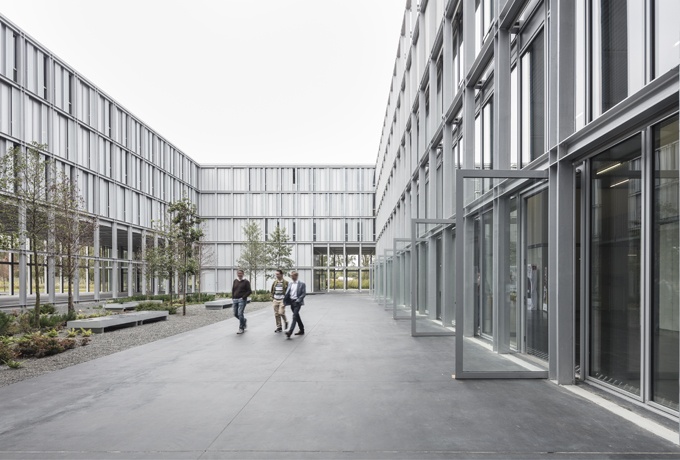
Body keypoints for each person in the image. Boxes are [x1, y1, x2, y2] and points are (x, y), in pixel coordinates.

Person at [284, 271, 306, 338]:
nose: (291, 277)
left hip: (297, 303)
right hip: (291, 302)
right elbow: (288, 292)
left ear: (296, 276)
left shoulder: (302, 284)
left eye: (293, 276)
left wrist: (298, 300)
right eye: (291, 276)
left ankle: (290, 332)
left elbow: (303, 293)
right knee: (297, 316)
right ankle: (302, 329)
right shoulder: (290, 283)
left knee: (294, 316)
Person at [232, 269, 252, 334]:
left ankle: (241, 328)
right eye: (238, 273)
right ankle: (243, 320)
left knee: (240, 313)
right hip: (235, 299)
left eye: (241, 273)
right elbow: (233, 289)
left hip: (242, 300)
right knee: (235, 314)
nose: (239, 274)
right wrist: (232, 297)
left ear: (243, 274)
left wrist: (243, 297)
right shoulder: (235, 281)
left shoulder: (246, 282)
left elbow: (249, 291)